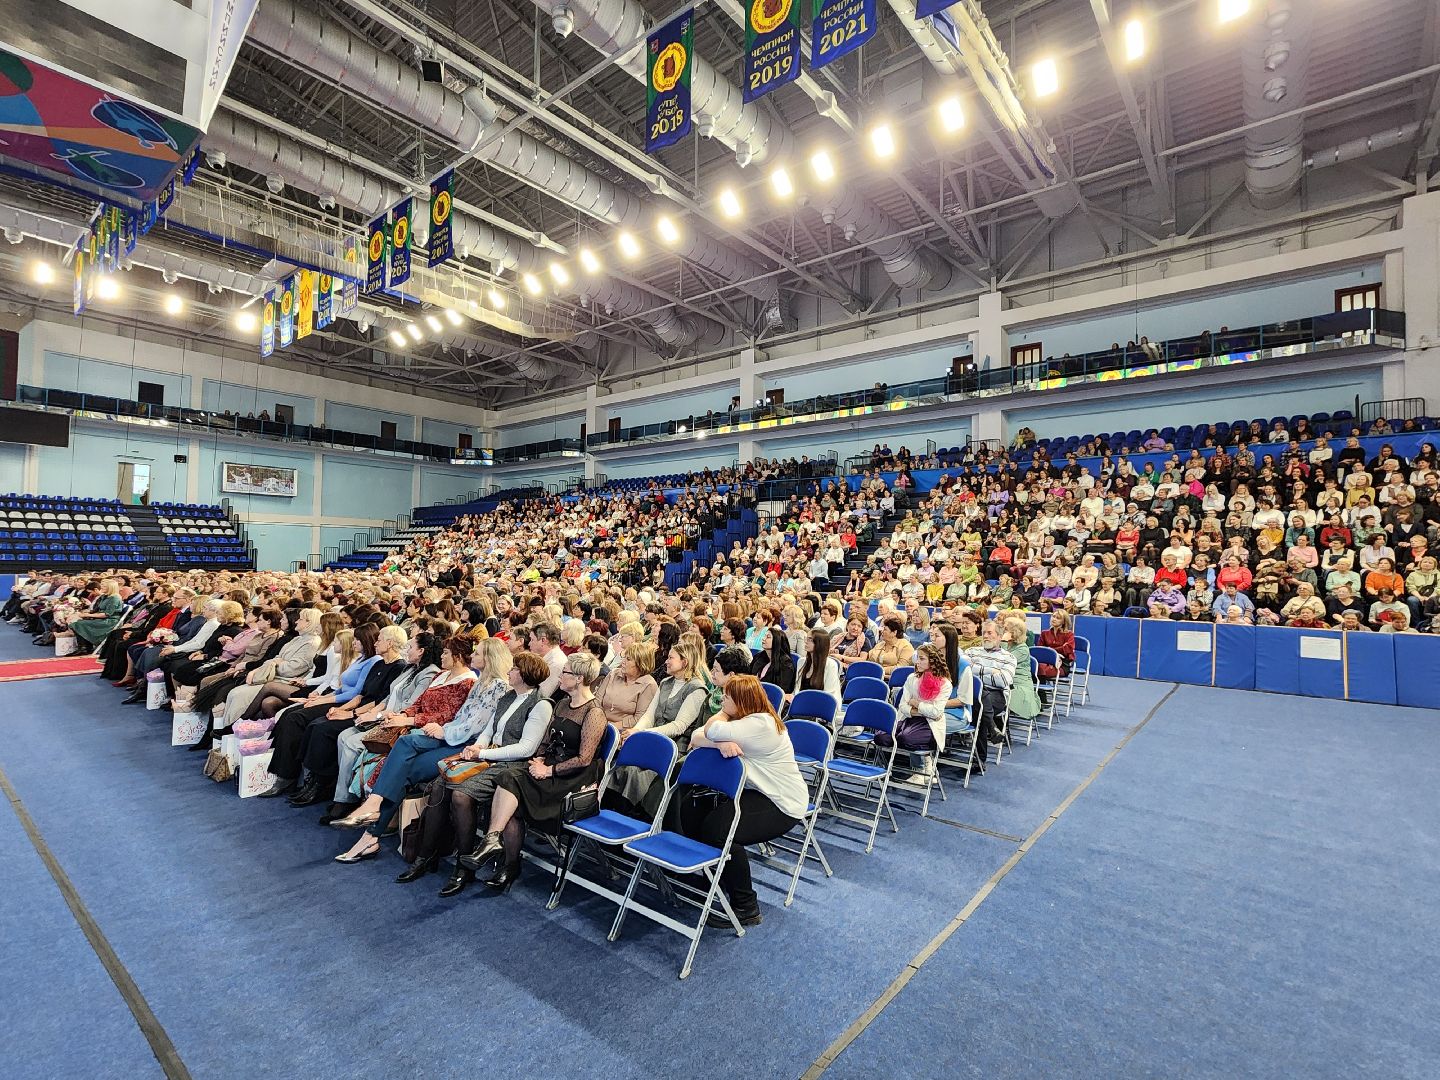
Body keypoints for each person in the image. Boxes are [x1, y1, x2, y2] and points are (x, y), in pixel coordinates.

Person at [461, 652, 609, 892]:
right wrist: (538, 758)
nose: (560, 675)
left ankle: (496, 847)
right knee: (510, 790)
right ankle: (505, 860)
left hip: (570, 779)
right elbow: (546, 741)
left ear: (580, 678)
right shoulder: (562, 703)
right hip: (548, 767)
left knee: (509, 779)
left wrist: (549, 770)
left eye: (566, 672)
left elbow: (584, 759)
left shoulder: (594, 713)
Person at [333, 636, 482, 862]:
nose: (441, 656)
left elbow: (448, 716)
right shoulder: (441, 675)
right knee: (401, 774)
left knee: (402, 755)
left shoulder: (467, 681)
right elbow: (419, 702)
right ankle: (369, 839)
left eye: (445, 653)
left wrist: (410, 721)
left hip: (446, 739)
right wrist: (403, 715)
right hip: (427, 734)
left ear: (458, 656)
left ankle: (372, 811)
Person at [680, 674, 808, 927]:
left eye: (726, 697)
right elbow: (697, 736)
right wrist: (720, 744)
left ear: (740, 701)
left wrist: (721, 724)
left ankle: (746, 906)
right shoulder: (747, 721)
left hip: (781, 802)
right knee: (693, 809)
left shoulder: (761, 725)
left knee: (719, 830)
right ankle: (712, 877)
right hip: (756, 792)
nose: (721, 701)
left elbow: (711, 729)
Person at [424, 651, 554, 896]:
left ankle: (467, 866)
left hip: (514, 766)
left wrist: (483, 754)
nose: (509, 671)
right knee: (441, 784)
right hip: (492, 758)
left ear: (525, 675)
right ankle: (432, 855)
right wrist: (478, 746)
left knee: (461, 796)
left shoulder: (541, 704)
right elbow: (489, 729)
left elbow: (525, 748)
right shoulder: (507, 697)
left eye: (514, 668)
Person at [966, 619, 1016, 766]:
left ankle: (979, 758)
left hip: (997, 696)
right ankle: (992, 728)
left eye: (990, 633)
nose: (985, 636)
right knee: (979, 703)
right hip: (972, 694)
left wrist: (976, 673)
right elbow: (963, 671)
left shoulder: (1009, 657)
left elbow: (1002, 680)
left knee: (980, 702)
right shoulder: (971, 651)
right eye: (983, 633)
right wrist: (990, 672)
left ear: (999, 637)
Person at [792, 628, 841, 706]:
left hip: (821, 706)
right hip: (801, 704)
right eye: (806, 638)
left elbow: (829, 695)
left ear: (819, 643)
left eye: (810, 639)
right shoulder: (801, 662)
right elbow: (797, 689)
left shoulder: (831, 665)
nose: (806, 642)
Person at [750, 625, 796, 693]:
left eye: (768, 637)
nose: (763, 639)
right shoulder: (759, 656)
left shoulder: (786, 663)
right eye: (764, 636)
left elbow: (782, 689)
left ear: (777, 641)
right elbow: (748, 675)